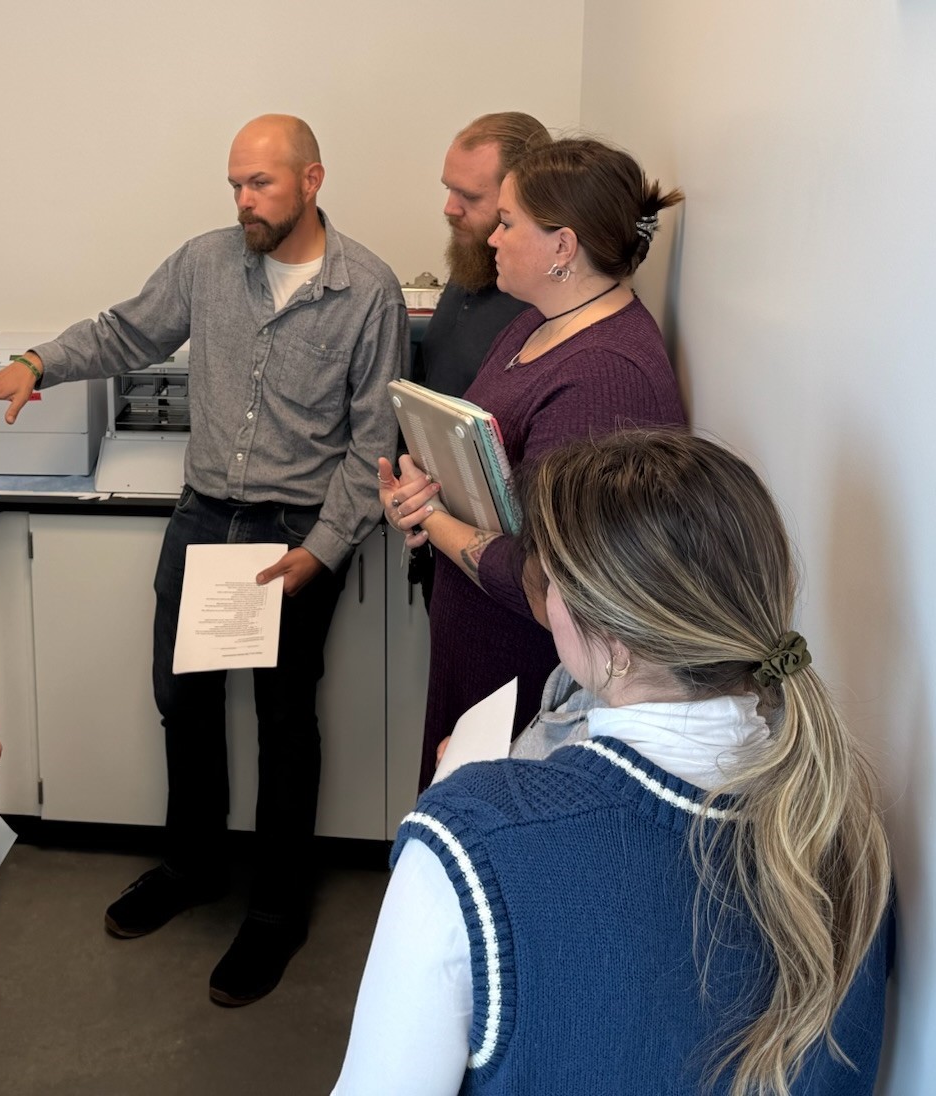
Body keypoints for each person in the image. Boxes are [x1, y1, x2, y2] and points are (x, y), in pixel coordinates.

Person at [0, 114, 405, 1005]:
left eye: (260, 184)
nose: (243, 201)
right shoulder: (205, 262)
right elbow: (123, 335)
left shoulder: (368, 291)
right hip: (205, 519)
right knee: (183, 703)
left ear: (312, 180)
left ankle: (275, 908)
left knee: (282, 721)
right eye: (234, 183)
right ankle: (191, 866)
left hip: (294, 532)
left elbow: (369, 441)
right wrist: (35, 363)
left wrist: (325, 548)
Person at [335, 430, 895, 1094]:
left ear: (610, 638)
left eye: (551, 584)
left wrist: (460, 797)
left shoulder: (468, 844)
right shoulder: (844, 829)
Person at [379, 136, 688, 789]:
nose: (492, 236)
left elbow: (547, 583)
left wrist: (432, 520)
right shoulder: (534, 321)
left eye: (508, 221)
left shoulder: (605, 378)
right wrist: (419, 493)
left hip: (530, 666)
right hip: (476, 640)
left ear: (563, 247)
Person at [405, 111, 551, 605]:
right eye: (449, 189)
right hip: (441, 546)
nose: (449, 208)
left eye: (470, 197)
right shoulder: (469, 267)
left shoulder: (538, 303)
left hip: (505, 577)